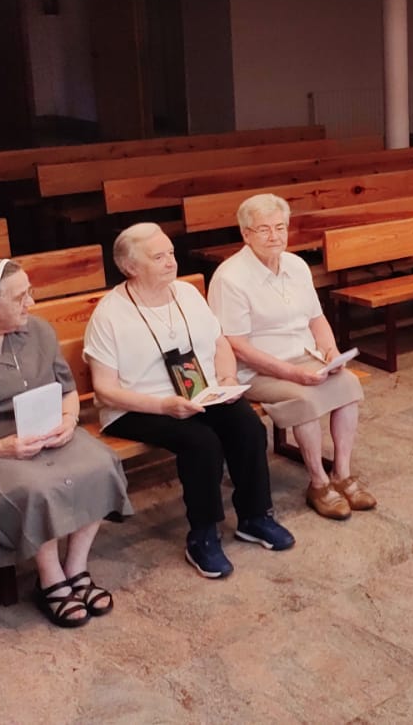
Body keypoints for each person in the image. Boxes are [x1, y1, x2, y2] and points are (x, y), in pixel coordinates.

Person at [0, 259, 131, 628]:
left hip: (46, 432)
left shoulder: (39, 330)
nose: (30, 302)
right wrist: (0, 448)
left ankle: (76, 568)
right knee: (35, 487)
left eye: (29, 293)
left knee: (100, 462)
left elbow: (67, 390)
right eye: (20, 297)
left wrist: (69, 420)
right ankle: (50, 580)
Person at [85, 223, 294, 579]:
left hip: (199, 392)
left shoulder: (186, 293)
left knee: (247, 426)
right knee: (201, 442)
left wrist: (227, 380)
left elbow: (219, 343)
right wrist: (164, 406)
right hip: (139, 405)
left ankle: (255, 516)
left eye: (170, 253)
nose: (171, 261)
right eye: (158, 257)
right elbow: (105, 390)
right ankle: (203, 535)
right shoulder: (110, 313)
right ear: (130, 267)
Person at [208, 194, 373, 522]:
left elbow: (316, 318)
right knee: (304, 397)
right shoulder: (231, 278)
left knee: (347, 385)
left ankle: (341, 473)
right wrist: (291, 373)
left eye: (280, 227)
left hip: (305, 357)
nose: (275, 236)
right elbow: (236, 345)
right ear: (246, 234)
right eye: (264, 229)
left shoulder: (296, 265)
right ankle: (318, 482)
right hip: (256, 370)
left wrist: (331, 352)